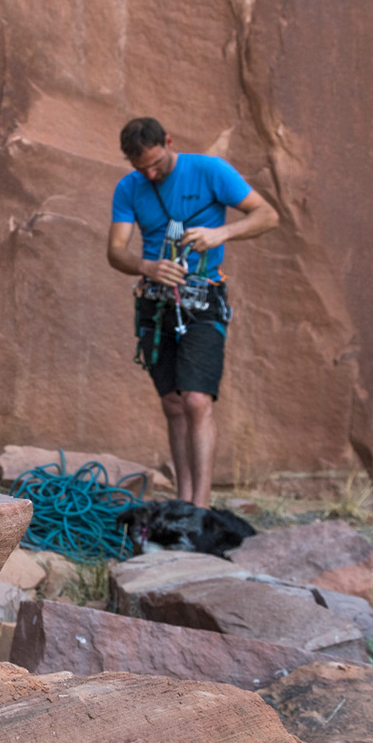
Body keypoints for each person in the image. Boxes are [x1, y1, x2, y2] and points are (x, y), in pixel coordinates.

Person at [105, 117, 277, 508]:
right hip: (155, 302)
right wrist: (147, 266)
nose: (151, 174)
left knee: (197, 400)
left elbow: (267, 215)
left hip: (203, 299)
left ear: (169, 141)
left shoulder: (211, 171)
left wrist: (221, 233)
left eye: (156, 164)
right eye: (141, 168)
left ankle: (200, 508)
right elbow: (115, 251)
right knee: (173, 404)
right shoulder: (129, 187)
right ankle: (183, 502)